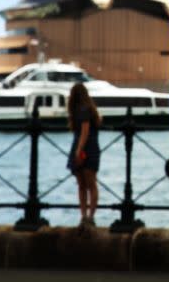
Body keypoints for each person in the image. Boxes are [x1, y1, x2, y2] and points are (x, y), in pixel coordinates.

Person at [67, 82, 101, 229]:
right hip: (91, 147)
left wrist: (78, 150)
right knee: (90, 183)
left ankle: (85, 216)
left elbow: (84, 131)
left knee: (83, 184)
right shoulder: (89, 109)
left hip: (83, 148)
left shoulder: (81, 110)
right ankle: (89, 217)